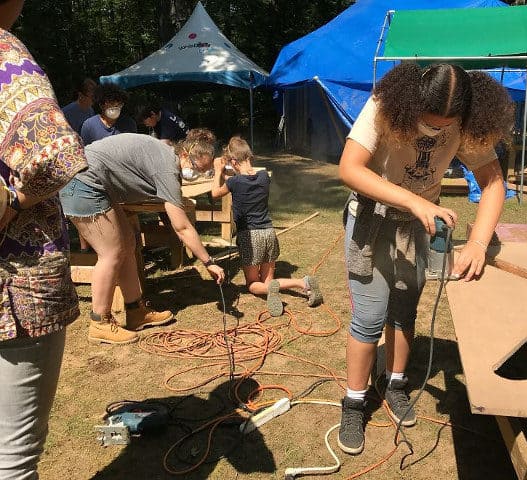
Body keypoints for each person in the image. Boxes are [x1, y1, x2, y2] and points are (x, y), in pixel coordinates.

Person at [337, 63, 514, 455]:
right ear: (412, 102)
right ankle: (353, 401)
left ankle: (395, 382)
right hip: (371, 219)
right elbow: (349, 168)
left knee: (404, 312)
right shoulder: (384, 106)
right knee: (368, 318)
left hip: (421, 226)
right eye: (428, 124)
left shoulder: (466, 122)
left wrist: (478, 244)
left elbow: (493, 182)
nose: (435, 132)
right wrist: (413, 199)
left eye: (443, 127)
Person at [0, 1, 89, 477]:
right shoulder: (5, 54)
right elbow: (56, 153)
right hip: (17, 286)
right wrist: (13, 202)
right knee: (12, 461)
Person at [59, 132, 225, 345]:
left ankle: (135, 311)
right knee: (111, 253)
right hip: (81, 184)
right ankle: (99, 322)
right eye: (195, 166)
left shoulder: (167, 154)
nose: (196, 173)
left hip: (96, 184)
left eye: (204, 171)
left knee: (128, 242)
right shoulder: (167, 167)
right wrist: (208, 262)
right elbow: (182, 227)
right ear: (184, 153)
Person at [211, 136, 323, 316]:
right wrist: (228, 172)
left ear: (233, 161)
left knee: (254, 285)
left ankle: (283, 289)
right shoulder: (263, 177)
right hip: (269, 233)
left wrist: (218, 171)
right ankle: (304, 283)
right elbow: (245, 180)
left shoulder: (234, 182)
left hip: (250, 236)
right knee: (268, 281)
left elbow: (215, 193)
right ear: (250, 157)